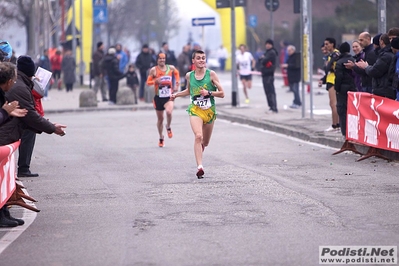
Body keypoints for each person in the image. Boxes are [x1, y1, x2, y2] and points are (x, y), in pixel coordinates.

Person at [170, 50, 225, 178]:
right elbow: (190, 90)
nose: (201, 60)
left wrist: (209, 93)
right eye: (199, 58)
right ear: (193, 61)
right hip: (195, 110)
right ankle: (200, 166)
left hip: (209, 111)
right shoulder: (189, 76)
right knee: (198, 136)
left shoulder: (211, 74)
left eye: (203, 58)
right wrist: (176, 95)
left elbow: (222, 93)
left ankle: (201, 149)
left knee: (205, 142)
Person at [146, 52, 180, 147]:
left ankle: (168, 126)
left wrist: (177, 83)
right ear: (157, 60)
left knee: (169, 112)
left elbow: (177, 73)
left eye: (163, 58)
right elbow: (148, 82)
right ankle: (161, 137)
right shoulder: (154, 70)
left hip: (168, 96)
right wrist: (155, 81)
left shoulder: (171, 68)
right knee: (160, 119)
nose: (162, 60)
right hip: (158, 97)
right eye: (160, 58)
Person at [356, 34, 395, 100]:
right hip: (384, 89)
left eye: (361, 40)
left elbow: (375, 71)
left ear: (382, 42)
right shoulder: (388, 54)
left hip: (383, 90)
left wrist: (365, 67)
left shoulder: (384, 56)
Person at [318, 37, 340, 132]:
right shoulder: (331, 55)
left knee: (333, 103)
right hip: (330, 79)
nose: (325, 46)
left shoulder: (335, 54)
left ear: (332, 44)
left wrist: (328, 65)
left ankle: (336, 125)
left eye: (327, 44)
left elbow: (329, 68)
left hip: (334, 80)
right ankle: (335, 124)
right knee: (332, 104)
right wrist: (323, 80)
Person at [335, 42, 356, 137]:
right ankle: (353, 132)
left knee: (342, 111)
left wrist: (337, 89)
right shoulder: (354, 60)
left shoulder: (339, 62)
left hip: (343, 89)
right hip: (353, 88)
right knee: (353, 111)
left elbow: (338, 77)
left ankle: (345, 133)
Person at [259, 39, 278, 113]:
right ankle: (271, 106)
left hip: (269, 74)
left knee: (270, 91)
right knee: (267, 91)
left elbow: (263, 60)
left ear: (272, 45)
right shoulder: (267, 52)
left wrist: (262, 59)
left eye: (269, 44)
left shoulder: (271, 52)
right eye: (266, 44)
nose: (267, 45)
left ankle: (273, 107)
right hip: (265, 74)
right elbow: (260, 59)